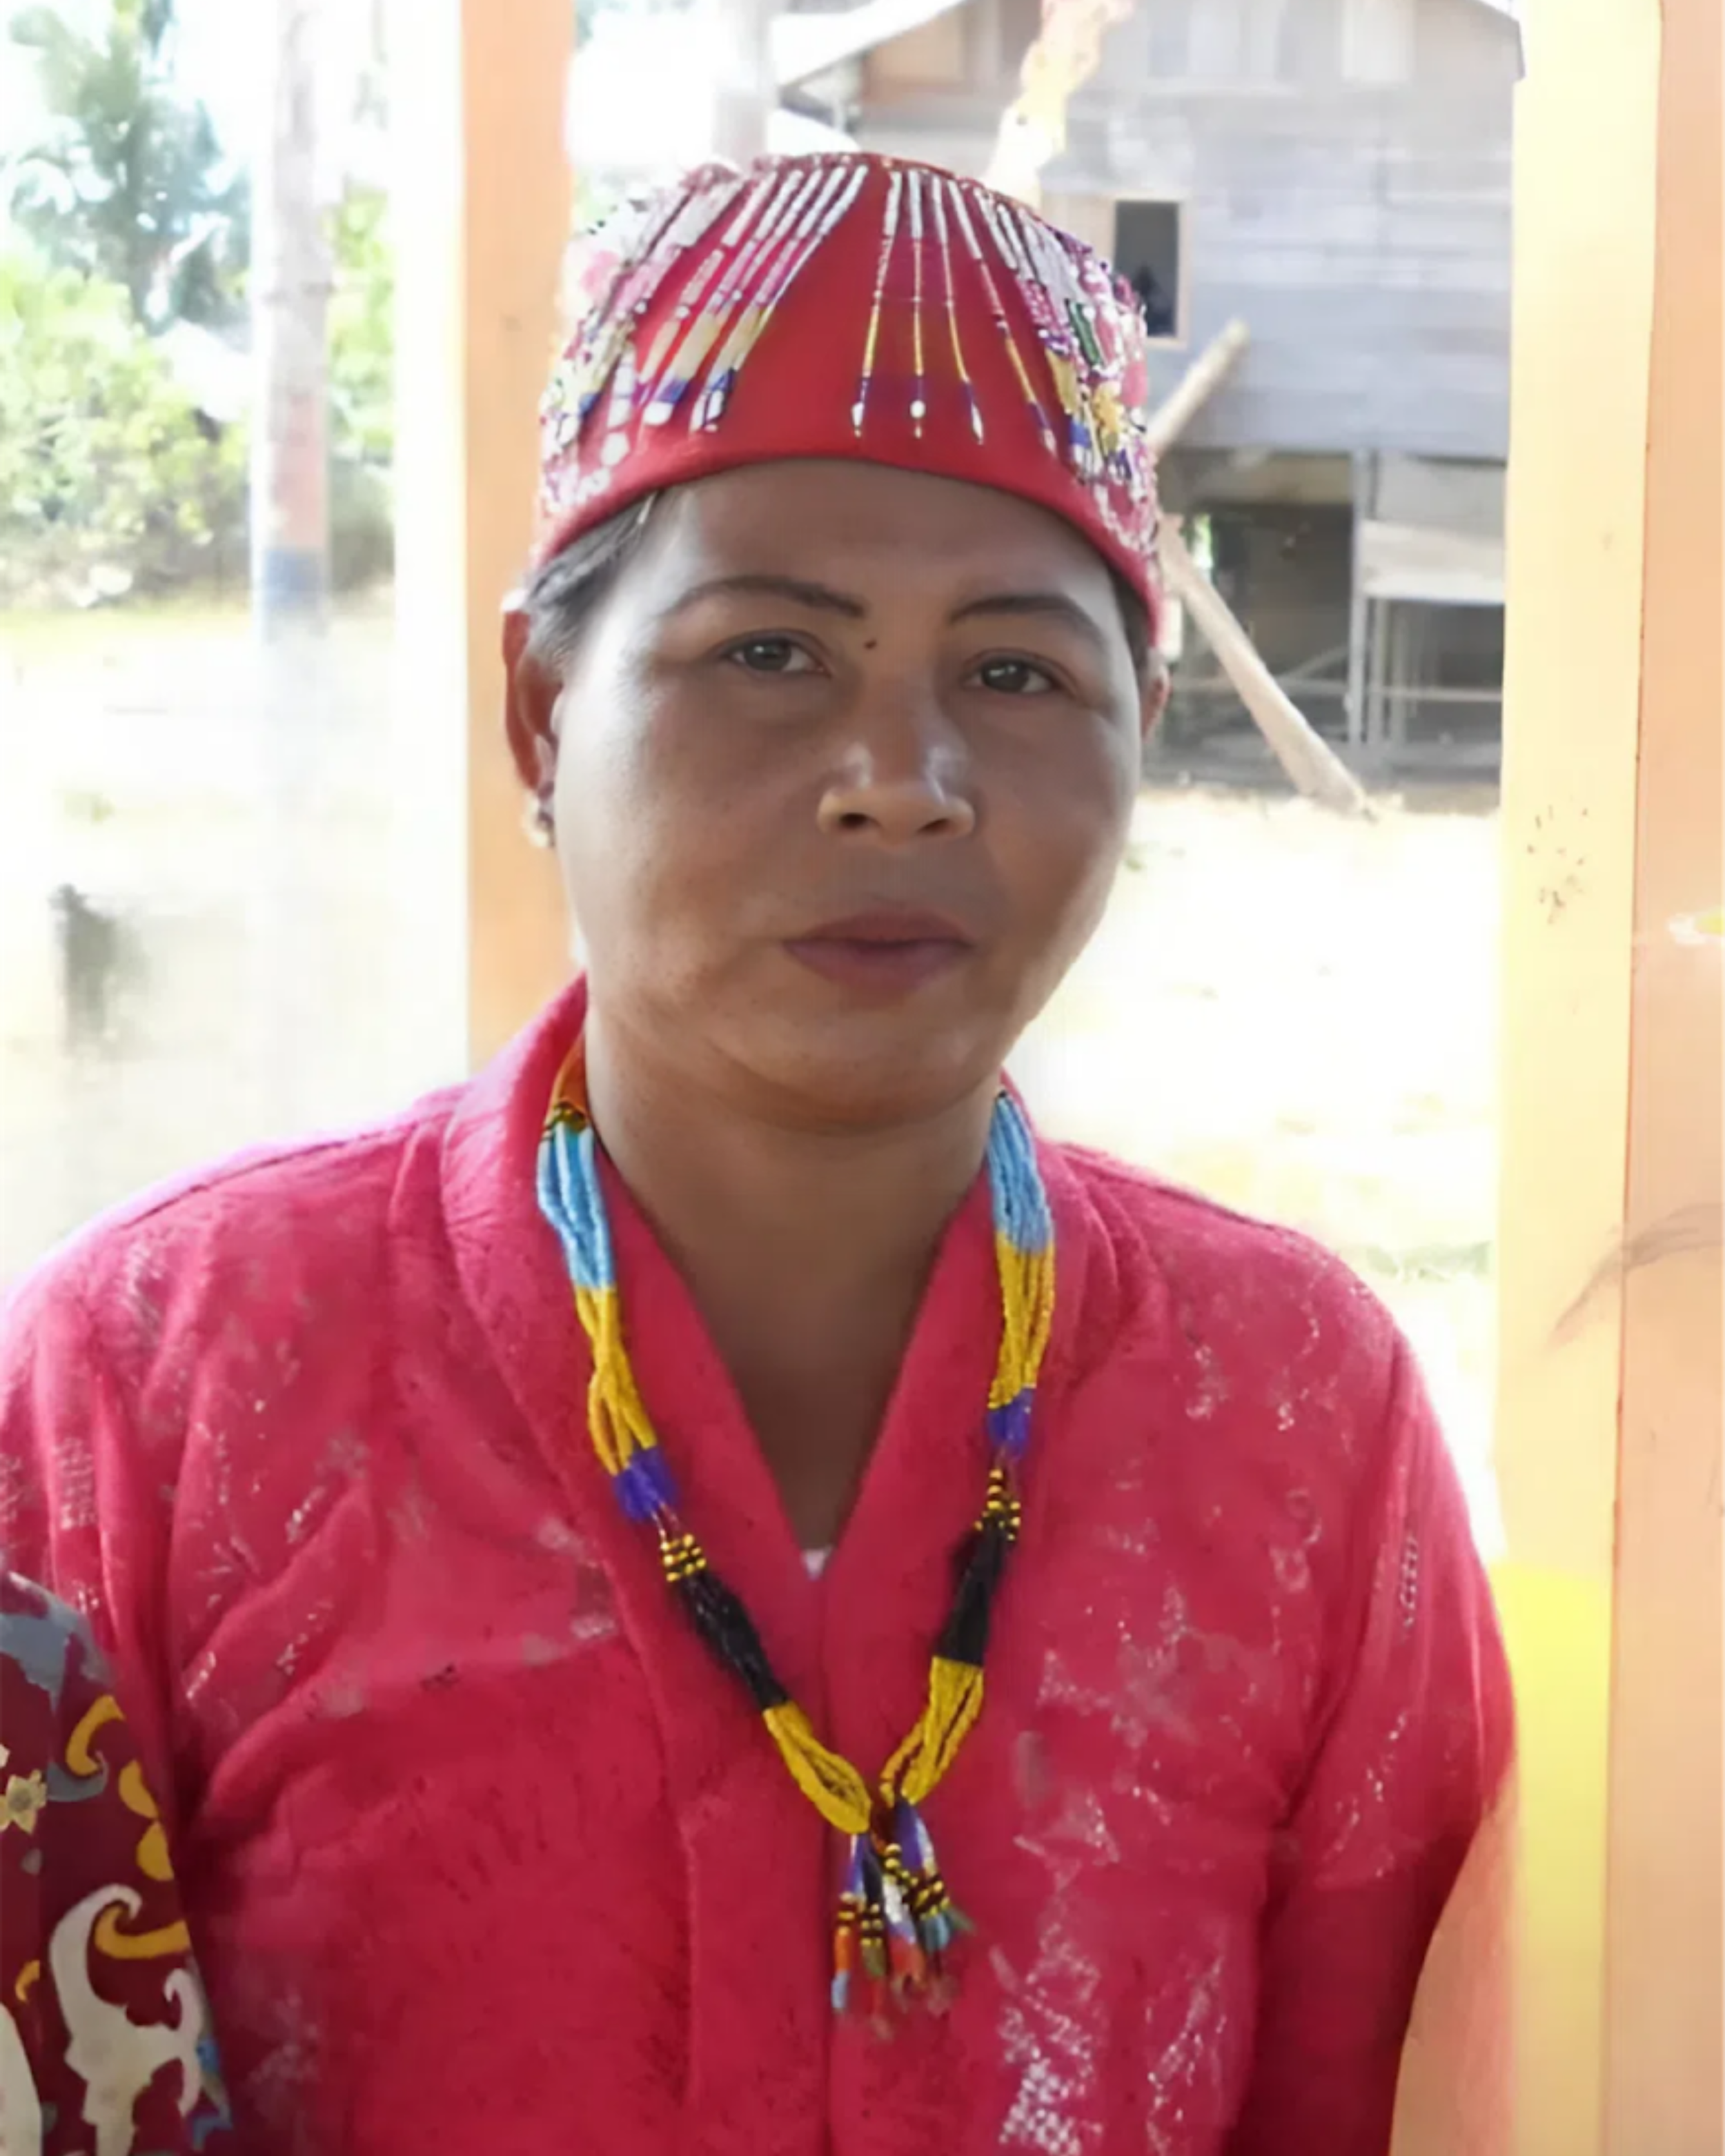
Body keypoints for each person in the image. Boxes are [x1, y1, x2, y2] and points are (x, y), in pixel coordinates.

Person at [0, 151, 1510, 2155]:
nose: (903, 782)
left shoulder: (1299, 1410)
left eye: (1016, 672)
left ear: (1141, 733)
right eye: (768, 654)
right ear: (541, 716)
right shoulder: (159, 1378)